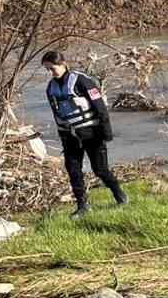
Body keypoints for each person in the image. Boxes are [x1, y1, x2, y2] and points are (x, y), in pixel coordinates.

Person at [41, 50, 125, 217]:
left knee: (100, 170)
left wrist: (106, 132)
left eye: (52, 68)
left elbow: (100, 107)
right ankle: (82, 206)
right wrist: (63, 135)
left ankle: (120, 196)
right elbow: (56, 114)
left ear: (63, 64)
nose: (50, 72)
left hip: (91, 133)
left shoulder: (82, 81)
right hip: (69, 136)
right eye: (47, 69)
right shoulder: (51, 88)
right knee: (73, 170)